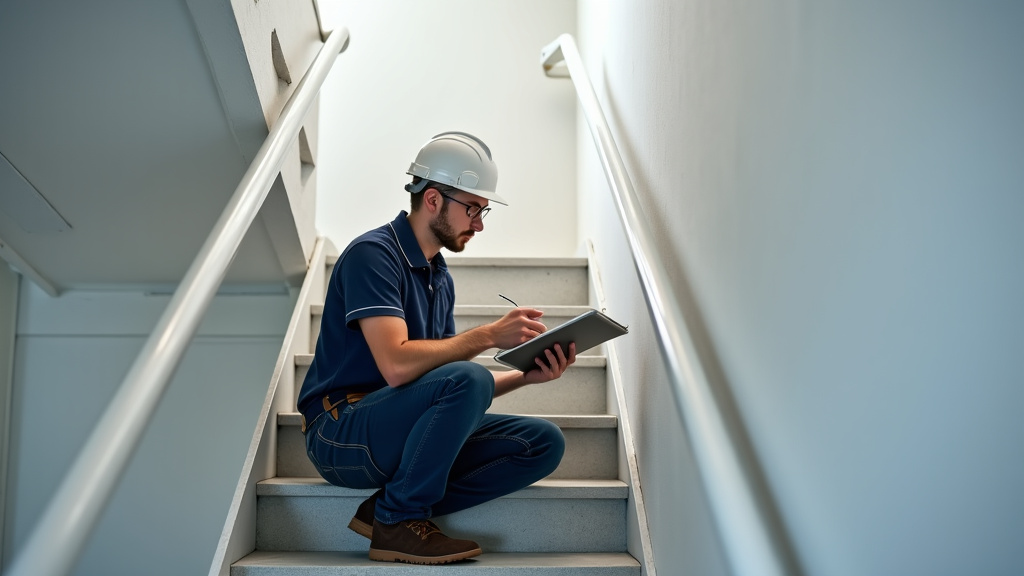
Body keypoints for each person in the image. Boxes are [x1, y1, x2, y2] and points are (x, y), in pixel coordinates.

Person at [298, 131, 577, 565]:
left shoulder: (439, 277)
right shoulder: (373, 255)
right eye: (474, 209)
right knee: (468, 375)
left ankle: (388, 506)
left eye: (484, 212)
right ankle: (399, 518)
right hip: (340, 433)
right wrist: (486, 336)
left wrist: (526, 377)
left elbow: (442, 387)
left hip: (398, 426)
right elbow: (395, 366)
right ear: (432, 199)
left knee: (542, 443)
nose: (480, 223)